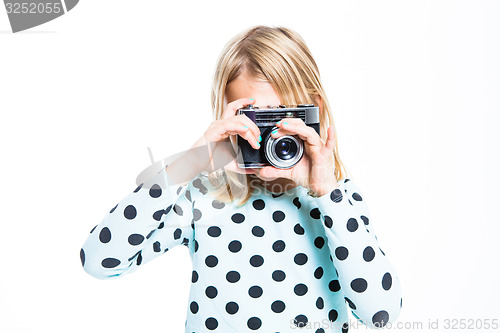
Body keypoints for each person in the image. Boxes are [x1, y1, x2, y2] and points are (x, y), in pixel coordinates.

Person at [80, 25, 402, 332]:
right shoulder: (204, 196)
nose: (273, 136)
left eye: (284, 117)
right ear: (230, 118)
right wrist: (192, 162)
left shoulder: (338, 198)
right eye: (258, 120)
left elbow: (381, 314)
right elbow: (99, 260)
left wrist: (326, 190)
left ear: (314, 110)